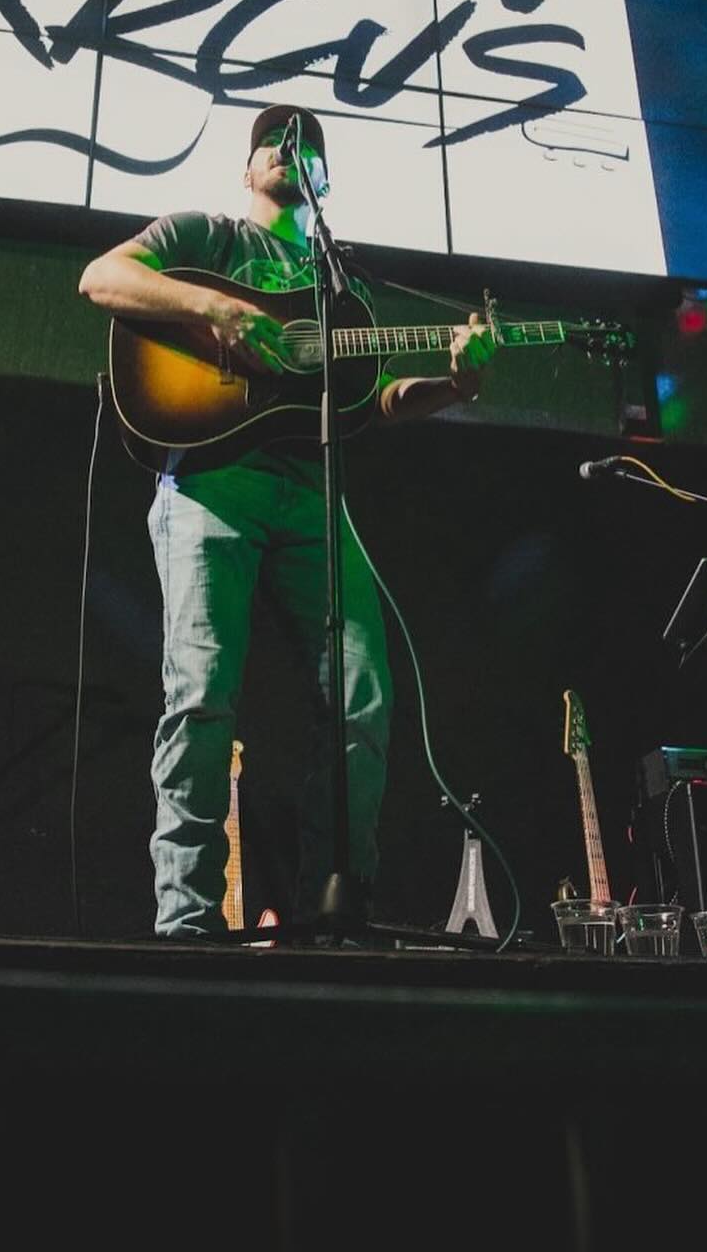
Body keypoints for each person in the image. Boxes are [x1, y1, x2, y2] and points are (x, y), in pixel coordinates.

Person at [78, 103, 494, 939]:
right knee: (200, 694)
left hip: (312, 488)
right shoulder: (208, 235)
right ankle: (186, 921)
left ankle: (335, 909)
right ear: (248, 168)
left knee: (363, 692)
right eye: (271, 139)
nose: (285, 147)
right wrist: (223, 312)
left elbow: (372, 402)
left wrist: (455, 384)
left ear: (324, 179)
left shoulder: (345, 289)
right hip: (210, 479)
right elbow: (101, 277)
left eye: (304, 143)